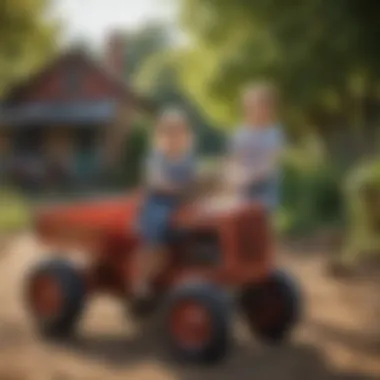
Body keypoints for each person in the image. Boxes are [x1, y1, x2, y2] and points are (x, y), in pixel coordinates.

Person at [132, 108, 196, 305]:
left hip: (181, 204)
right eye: (169, 133)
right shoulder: (156, 159)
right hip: (157, 203)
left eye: (178, 133)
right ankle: (140, 281)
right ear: (160, 136)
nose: (173, 138)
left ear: (185, 136)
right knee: (157, 237)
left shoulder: (186, 159)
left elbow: (193, 181)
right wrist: (183, 190)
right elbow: (159, 183)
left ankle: (191, 270)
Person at [228, 81, 285, 212]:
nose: (257, 111)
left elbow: (272, 162)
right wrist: (234, 175)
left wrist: (249, 176)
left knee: (261, 216)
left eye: (262, 106)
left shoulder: (274, 133)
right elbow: (233, 160)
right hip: (242, 187)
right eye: (252, 107)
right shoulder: (240, 134)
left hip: (265, 185)